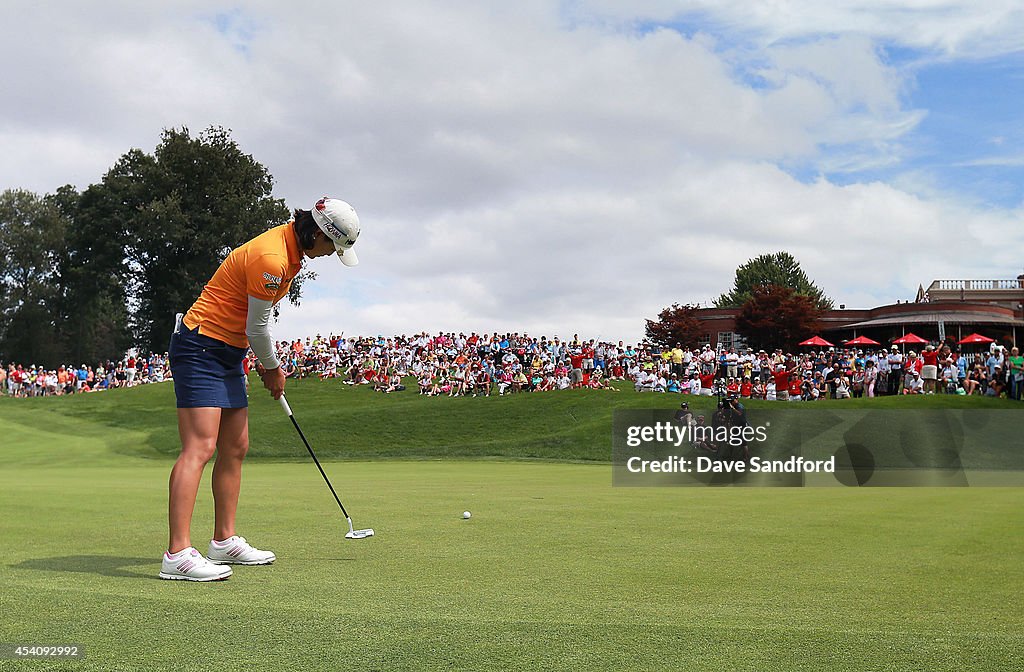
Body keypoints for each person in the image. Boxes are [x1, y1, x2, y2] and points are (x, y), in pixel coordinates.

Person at [161, 196, 361, 582]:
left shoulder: (291, 253)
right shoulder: (272, 258)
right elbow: (257, 328)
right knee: (200, 447)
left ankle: (223, 540)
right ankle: (178, 553)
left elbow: (249, 326)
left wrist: (259, 361)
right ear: (317, 234)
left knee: (235, 446)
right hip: (200, 345)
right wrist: (272, 368)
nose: (326, 255)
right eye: (329, 247)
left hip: (228, 350)